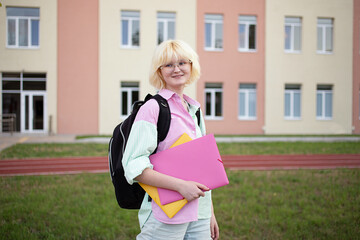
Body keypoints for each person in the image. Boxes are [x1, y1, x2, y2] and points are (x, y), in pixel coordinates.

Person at [122, 39, 219, 240]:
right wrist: (180, 186)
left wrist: (210, 213)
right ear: (159, 71)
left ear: (191, 66)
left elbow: (204, 167)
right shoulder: (153, 108)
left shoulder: (195, 110)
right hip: (166, 213)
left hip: (199, 213)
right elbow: (134, 166)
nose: (177, 69)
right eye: (169, 64)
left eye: (182, 63)